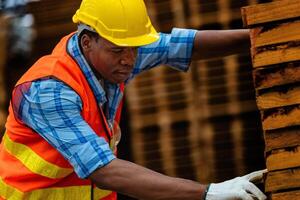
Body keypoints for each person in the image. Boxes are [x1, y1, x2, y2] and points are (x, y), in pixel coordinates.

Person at [0, 0, 267, 199]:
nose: (129, 59)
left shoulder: (112, 55)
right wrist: (208, 192)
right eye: (118, 50)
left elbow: (180, 45)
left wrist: (264, 38)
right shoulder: (48, 92)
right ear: (86, 42)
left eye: (135, 49)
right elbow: (104, 170)